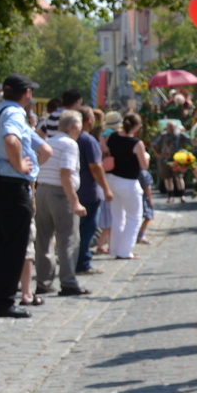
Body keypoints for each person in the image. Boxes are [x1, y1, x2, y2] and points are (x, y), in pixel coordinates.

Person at [0, 75, 44, 318]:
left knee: (2, 243)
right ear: (27, 93)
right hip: (11, 184)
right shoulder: (14, 113)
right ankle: (3, 301)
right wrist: (19, 164)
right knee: (14, 244)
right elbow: (11, 139)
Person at [33, 110, 88, 297]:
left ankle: (44, 281)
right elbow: (65, 172)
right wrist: (75, 202)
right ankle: (68, 282)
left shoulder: (48, 141)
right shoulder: (70, 144)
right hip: (60, 193)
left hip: (43, 190)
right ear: (73, 127)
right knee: (67, 239)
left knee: (44, 238)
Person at [105, 112, 151, 261]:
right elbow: (143, 165)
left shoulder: (112, 137)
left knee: (117, 216)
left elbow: (106, 151)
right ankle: (125, 251)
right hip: (128, 182)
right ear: (136, 126)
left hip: (111, 179)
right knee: (134, 217)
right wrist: (147, 157)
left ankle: (115, 248)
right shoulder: (137, 143)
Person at [74, 108, 109, 274]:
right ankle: (82, 263)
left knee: (75, 231)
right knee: (87, 230)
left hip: (73, 191)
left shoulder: (72, 138)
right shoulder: (88, 140)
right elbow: (96, 167)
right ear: (89, 120)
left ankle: (76, 261)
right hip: (88, 191)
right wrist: (106, 189)